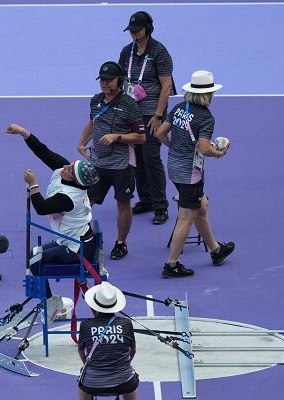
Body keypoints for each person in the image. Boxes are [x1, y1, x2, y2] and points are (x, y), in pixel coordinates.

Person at [6, 123, 99, 323]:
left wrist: (33, 184)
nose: (65, 166)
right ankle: (50, 299)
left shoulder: (69, 198)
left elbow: (41, 208)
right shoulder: (65, 172)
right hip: (71, 237)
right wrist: (24, 133)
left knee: (35, 263)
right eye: (69, 164)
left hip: (78, 247)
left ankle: (50, 303)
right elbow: (43, 152)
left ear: (74, 180)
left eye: (69, 169)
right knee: (32, 254)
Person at [154, 70, 235, 278]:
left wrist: (175, 148)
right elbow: (204, 148)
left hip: (173, 168)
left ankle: (216, 250)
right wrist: (219, 153)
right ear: (208, 94)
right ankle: (172, 264)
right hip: (190, 174)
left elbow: (160, 133)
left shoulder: (179, 108)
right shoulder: (206, 117)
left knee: (201, 206)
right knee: (186, 216)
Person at [77, 61, 146, 260]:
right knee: (86, 202)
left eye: (109, 80)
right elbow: (93, 122)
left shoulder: (129, 105)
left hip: (122, 164)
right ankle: (84, 238)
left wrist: (118, 137)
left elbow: (141, 137)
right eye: (102, 80)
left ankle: (121, 243)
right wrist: (81, 143)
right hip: (98, 162)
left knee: (123, 203)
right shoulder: (95, 101)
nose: (104, 83)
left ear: (119, 80)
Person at [119, 11, 175, 225]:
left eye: (137, 30)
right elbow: (121, 79)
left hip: (152, 113)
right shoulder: (127, 52)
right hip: (132, 113)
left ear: (148, 29)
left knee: (151, 157)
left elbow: (166, 86)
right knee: (137, 158)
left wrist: (158, 115)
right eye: (131, 31)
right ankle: (146, 200)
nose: (133, 34)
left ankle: (161, 206)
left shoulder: (160, 52)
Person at [78, 281, 138, 400]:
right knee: (130, 378)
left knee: (82, 378)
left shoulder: (85, 325)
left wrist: (87, 365)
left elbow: (81, 351)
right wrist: (124, 365)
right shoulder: (126, 323)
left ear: (94, 304)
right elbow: (133, 350)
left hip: (91, 384)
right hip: (124, 383)